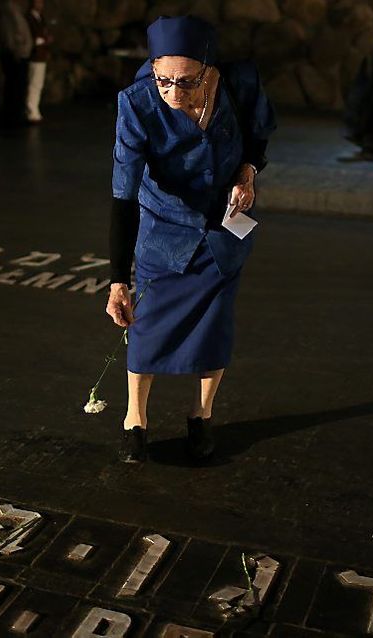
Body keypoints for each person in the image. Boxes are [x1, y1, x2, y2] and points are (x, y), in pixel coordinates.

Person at [106, 15, 276, 463]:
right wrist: (117, 279)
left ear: (208, 68)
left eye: (186, 82)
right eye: (164, 80)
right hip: (163, 229)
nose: (174, 94)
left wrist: (246, 173)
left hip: (223, 229)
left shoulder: (239, 85)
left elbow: (257, 140)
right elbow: (123, 195)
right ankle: (134, 421)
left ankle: (201, 415)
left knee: (214, 327)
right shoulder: (138, 103)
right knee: (147, 330)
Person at [0, 0, 33, 126]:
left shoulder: (16, 10)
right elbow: (8, 33)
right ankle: (13, 116)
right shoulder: (8, 10)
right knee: (14, 86)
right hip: (15, 54)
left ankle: (17, 114)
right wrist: (15, 50)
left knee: (19, 86)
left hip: (21, 53)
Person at [25, 0, 51, 123]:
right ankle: (31, 111)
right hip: (35, 55)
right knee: (33, 83)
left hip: (41, 55)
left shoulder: (40, 17)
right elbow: (33, 38)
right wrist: (44, 40)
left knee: (38, 83)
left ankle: (34, 109)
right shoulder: (29, 18)